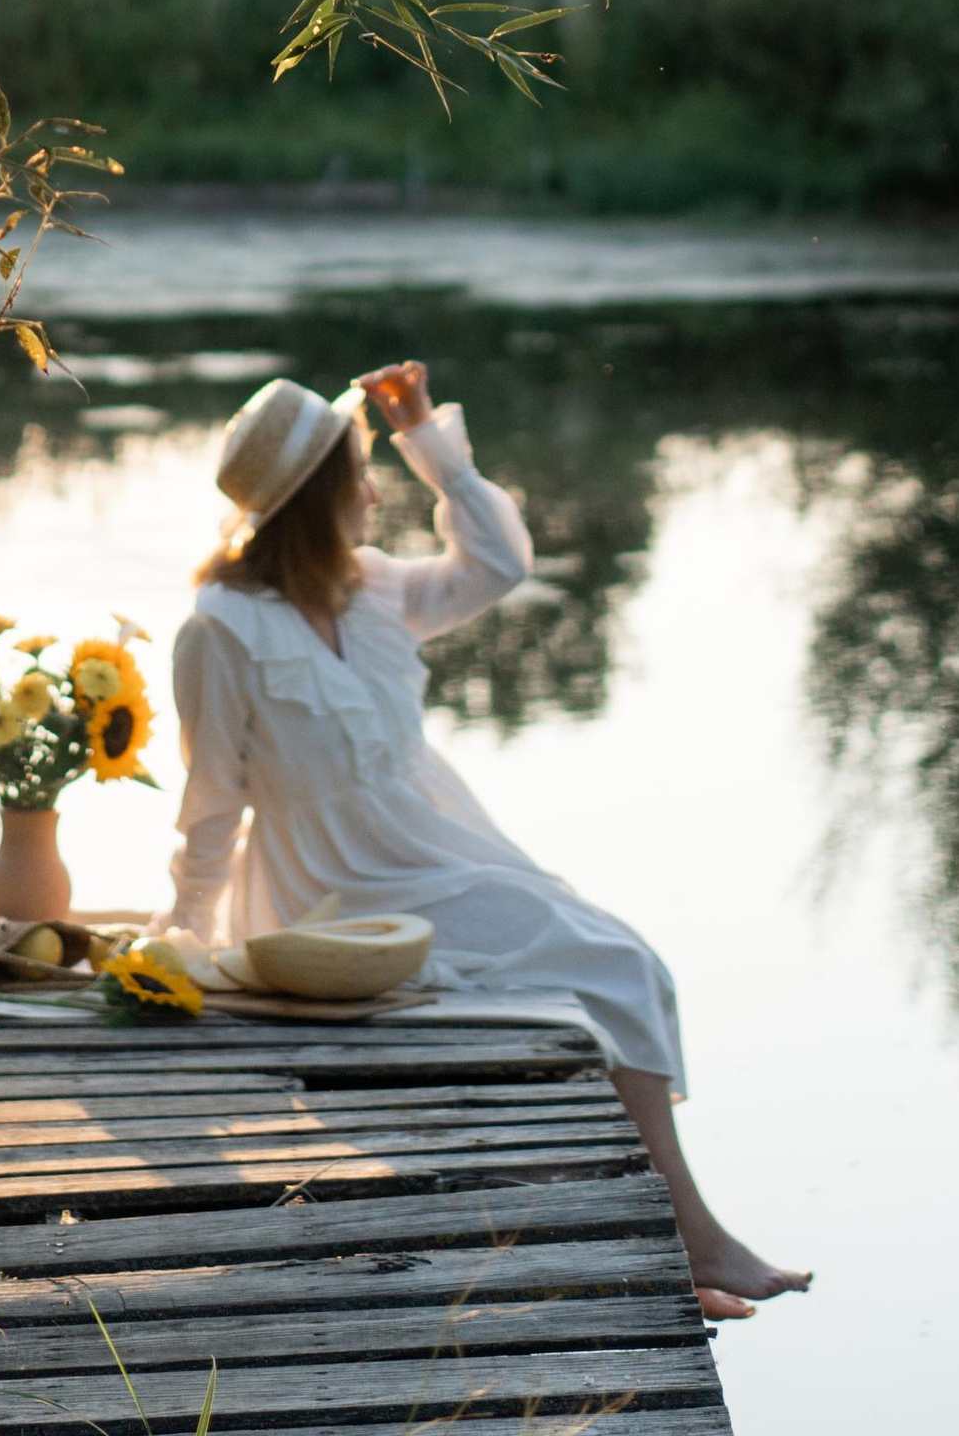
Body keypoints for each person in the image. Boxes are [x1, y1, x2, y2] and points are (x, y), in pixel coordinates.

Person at [166, 354, 810, 1321]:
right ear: (318, 496)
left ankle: (668, 1238)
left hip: (433, 845)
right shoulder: (218, 629)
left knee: (623, 967)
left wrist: (433, 446)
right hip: (332, 883)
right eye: (362, 473)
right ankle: (685, 1237)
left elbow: (499, 566)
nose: (377, 493)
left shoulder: (373, 588)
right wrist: (182, 942)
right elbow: (211, 799)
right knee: (611, 967)